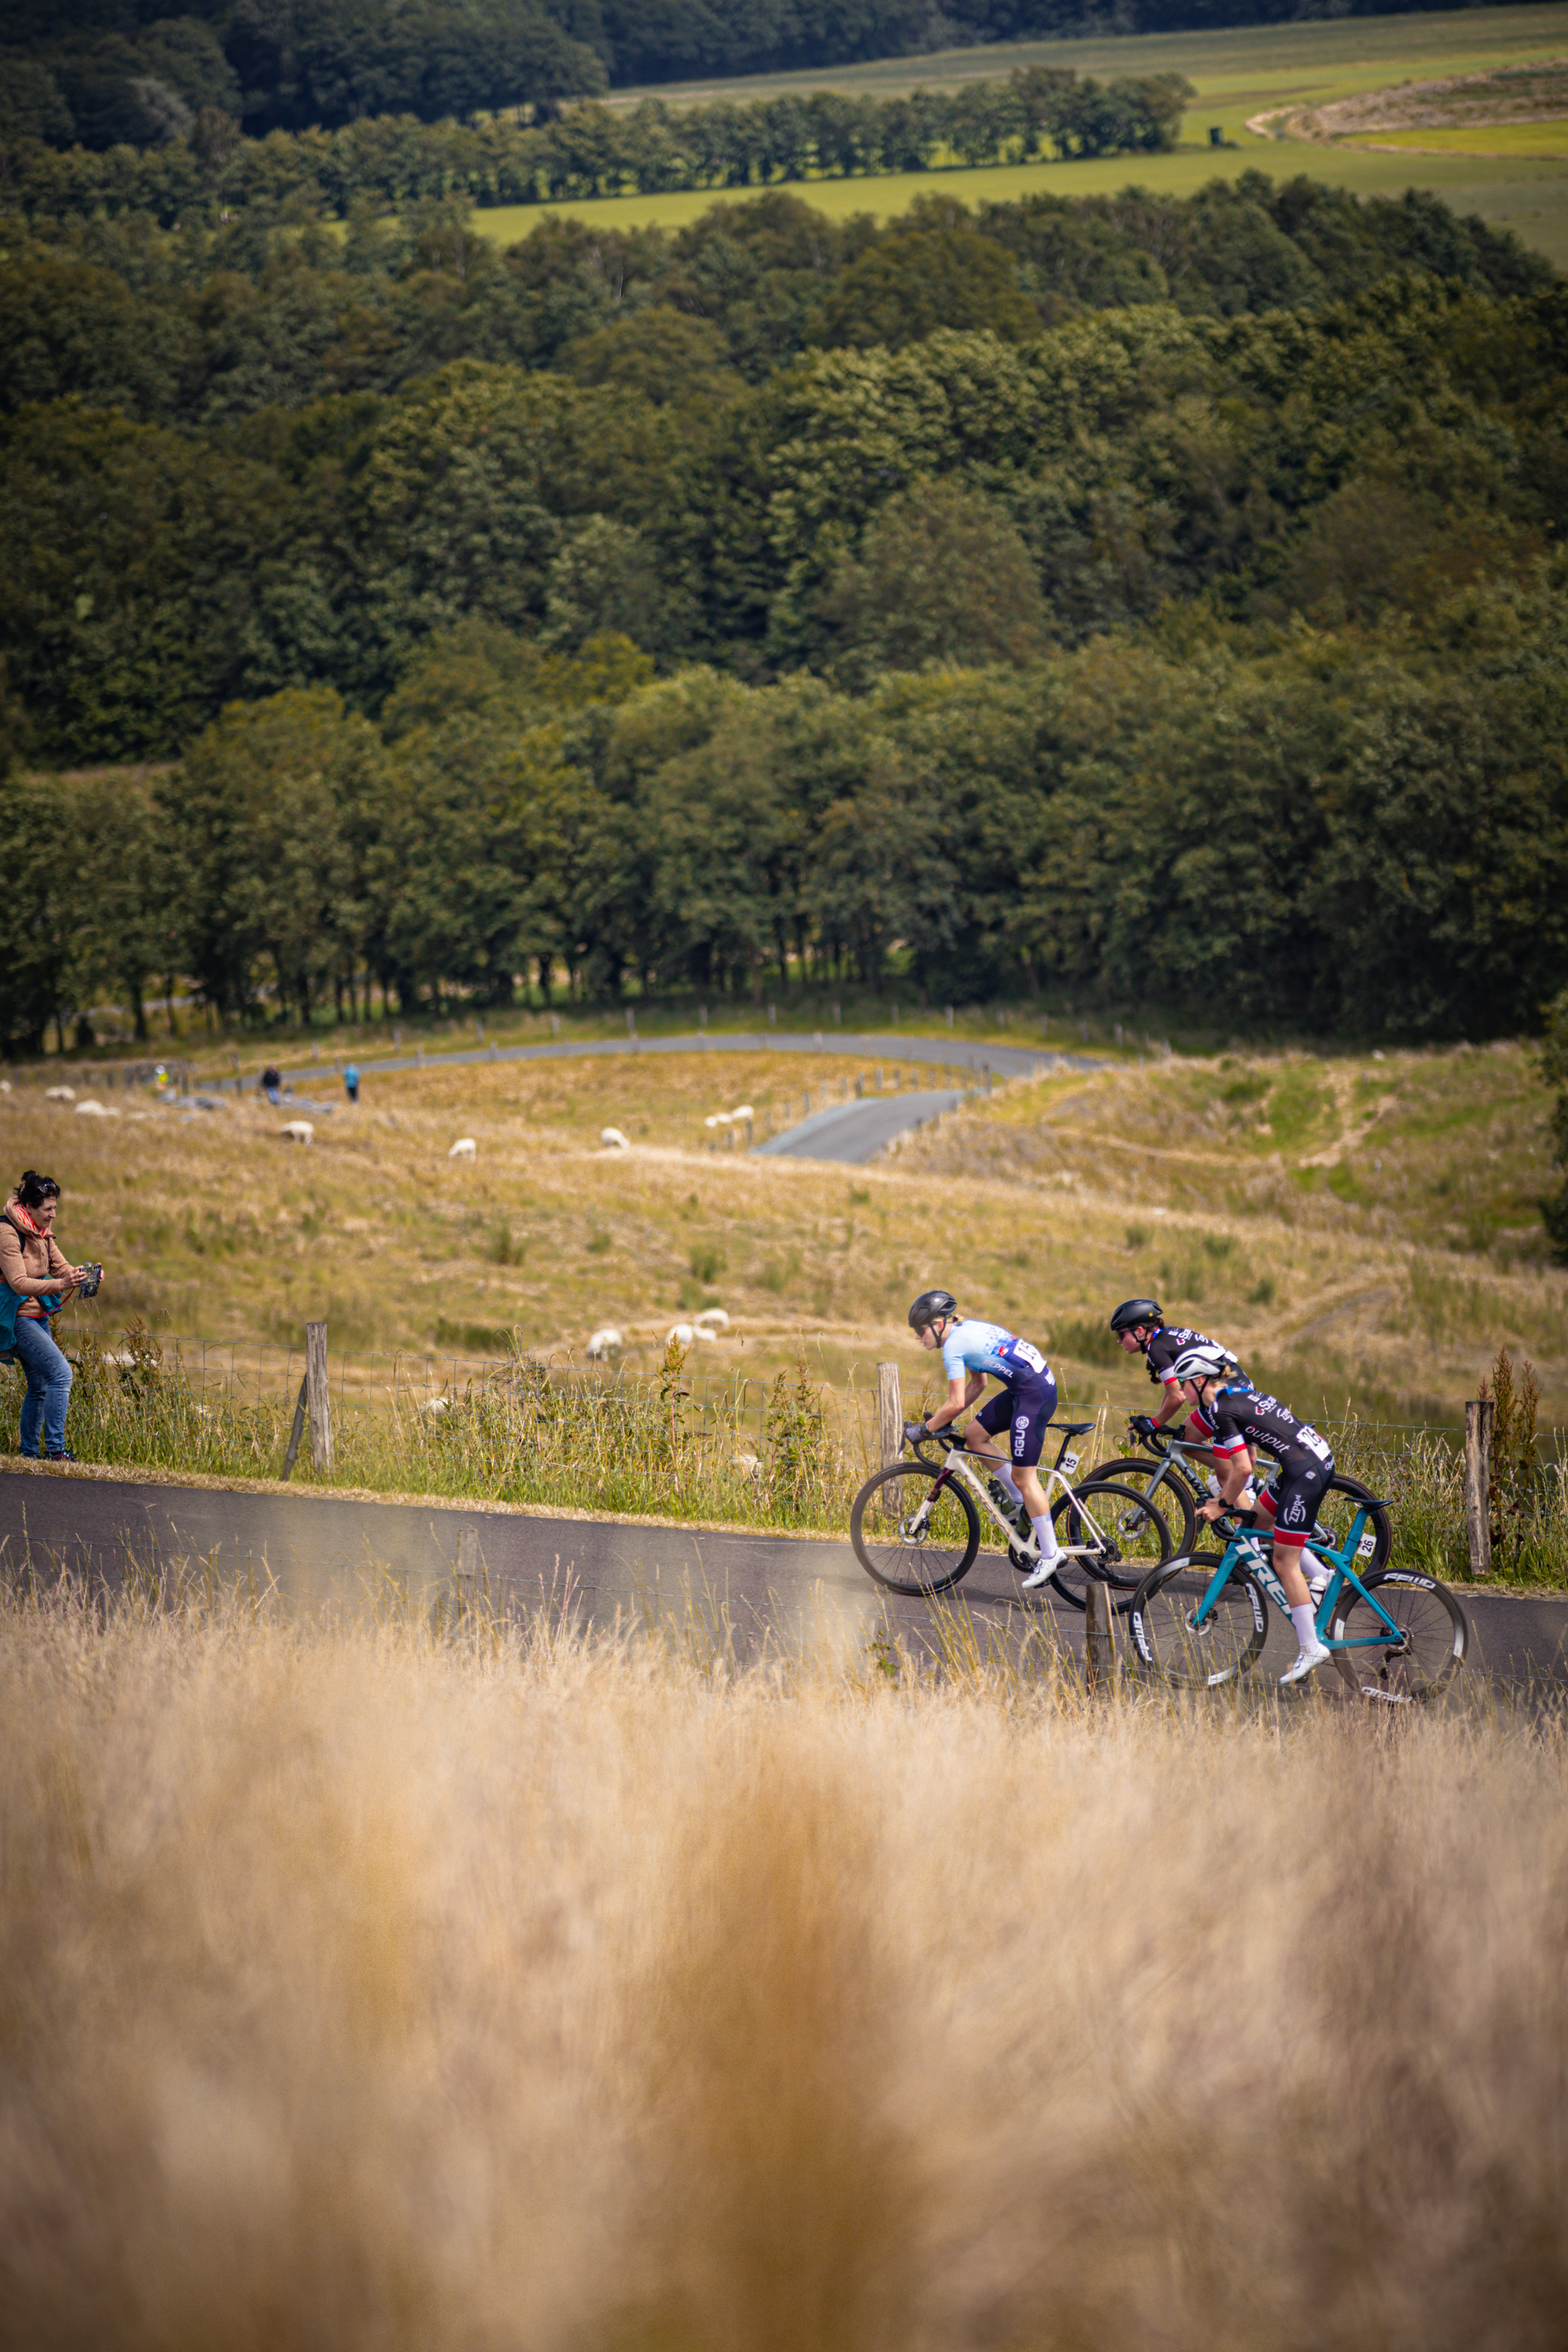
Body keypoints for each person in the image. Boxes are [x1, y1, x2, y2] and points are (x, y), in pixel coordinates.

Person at [1172, 1343, 1335, 1686]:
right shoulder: (1237, 1395)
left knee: (1283, 1562)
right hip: (1305, 1463)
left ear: (1199, 1381)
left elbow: (1242, 1468)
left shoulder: (1220, 1409)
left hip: (1304, 1471)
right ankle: (1322, 1576)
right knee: (1259, 1522)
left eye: (1183, 1382)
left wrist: (1221, 1504)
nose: (1179, 1389)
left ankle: (1310, 1646)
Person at [906, 1290, 1062, 1590]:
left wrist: (925, 1430)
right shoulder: (969, 1328)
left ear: (938, 1324)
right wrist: (947, 1420)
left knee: (1023, 1477)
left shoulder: (952, 1347)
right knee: (974, 1436)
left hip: (1033, 1395)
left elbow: (954, 1402)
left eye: (920, 1330)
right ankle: (1021, 1505)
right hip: (1028, 1387)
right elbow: (980, 1383)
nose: (917, 1337)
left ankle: (1051, 1554)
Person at [0, 1171, 94, 1462]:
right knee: (61, 1374)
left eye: (55, 1208)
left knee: (40, 1385)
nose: (53, 1215)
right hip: (17, 1316)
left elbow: (61, 1267)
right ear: (29, 1207)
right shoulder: (6, 1232)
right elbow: (18, 1283)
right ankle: (55, 1450)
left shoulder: (39, 1230)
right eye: (48, 1209)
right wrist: (61, 1285)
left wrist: (82, 1276)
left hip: (37, 1315)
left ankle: (29, 1455)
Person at [1109, 1298, 1231, 1448]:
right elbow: (1172, 1389)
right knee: (1183, 1443)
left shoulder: (1156, 1348)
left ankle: (1233, 1472)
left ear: (1140, 1332)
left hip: (1227, 1402)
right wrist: (1157, 1420)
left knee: (1228, 1468)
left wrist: (1154, 1424)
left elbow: (1178, 1397)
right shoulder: (1166, 1336)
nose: (1119, 1341)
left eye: (1121, 1335)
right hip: (1225, 1397)